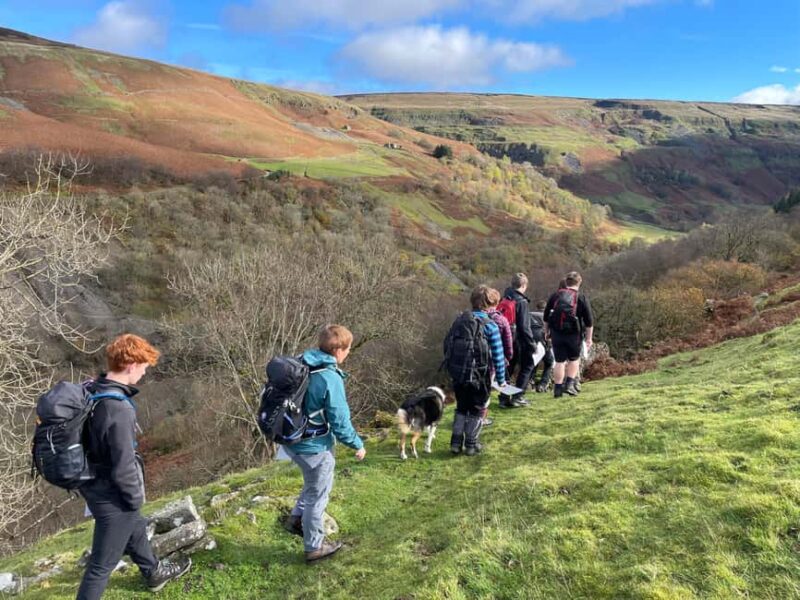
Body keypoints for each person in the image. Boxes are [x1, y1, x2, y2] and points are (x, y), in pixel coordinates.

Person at [77, 334, 191, 600]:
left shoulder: (94, 389)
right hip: (112, 494)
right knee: (100, 567)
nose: (144, 372)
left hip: (93, 482)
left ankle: (154, 573)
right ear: (130, 365)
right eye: (143, 367)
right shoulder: (118, 408)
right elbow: (123, 465)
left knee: (136, 525)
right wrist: (134, 497)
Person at [283, 324, 366, 563]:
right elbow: (340, 422)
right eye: (348, 348)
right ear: (338, 350)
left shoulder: (301, 362)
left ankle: (295, 519)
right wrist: (357, 444)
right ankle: (314, 547)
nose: (349, 352)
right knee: (319, 494)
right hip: (313, 446)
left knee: (312, 483)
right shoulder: (329, 378)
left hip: (291, 440)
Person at [445, 285, 507, 456]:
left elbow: (447, 346)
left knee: (461, 407)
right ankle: (471, 444)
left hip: (458, 374)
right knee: (477, 409)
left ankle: (455, 443)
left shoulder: (459, 321)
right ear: (490, 305)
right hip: (481, 377)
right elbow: (498, 356)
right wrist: (501, 379)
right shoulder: (491, 326)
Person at [543, 272, 594, 398]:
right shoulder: (581, 297)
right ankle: (570, 385)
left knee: (559, 361)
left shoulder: (555, 296)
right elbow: (589, 321)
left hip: (556, 333)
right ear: (579, 282)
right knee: (574, 359)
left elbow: (546, 317)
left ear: (567, 282)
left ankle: (557, 389)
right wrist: (589, 338)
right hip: (573, 334)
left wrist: (546, 332)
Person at [499, 273, 535, 408]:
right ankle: (517, 397)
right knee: (527, 366)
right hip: (519, 340)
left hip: (505, 339)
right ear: (524, 285)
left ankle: (503, 398)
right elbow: (525, 327)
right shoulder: (522, 302)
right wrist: (532, 344)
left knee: (508, 368)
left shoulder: (504, 297)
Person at [530, 301, 555, 393]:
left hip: (531, 341)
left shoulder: (530, 315)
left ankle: (530, 381)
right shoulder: (550, 316)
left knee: (533, 362)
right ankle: (542, 384)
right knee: (549, 362)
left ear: (537, 307)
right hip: (544, 341)